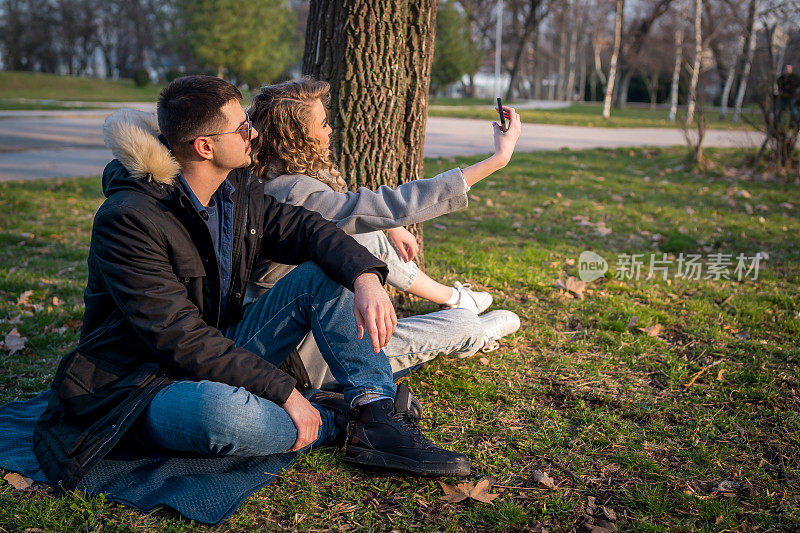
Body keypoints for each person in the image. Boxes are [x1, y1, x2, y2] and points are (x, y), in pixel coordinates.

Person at [32, 75, 472, 492]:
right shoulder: (130, 219)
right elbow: (179, 339)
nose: (254, 135)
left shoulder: (234, 187)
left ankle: (375, 411)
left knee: (326, 271)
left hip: (226, 345)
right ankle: (338, 421)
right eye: (242, 129)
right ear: (204, 146)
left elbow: (308, 229)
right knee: (220, 417)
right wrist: (285, 394)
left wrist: (365, 276)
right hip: (142, 381)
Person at [246, 78, 523, 388]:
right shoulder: (293, 191)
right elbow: (382, 205)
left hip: (319, 317)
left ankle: (454, 298)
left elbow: (352, 212)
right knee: (462, 326)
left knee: (364, 235)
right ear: (297, 138)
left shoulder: (268, 170)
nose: (329, 131)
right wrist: (498, 160)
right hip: (311, 353)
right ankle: (473, 330)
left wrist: (390, 225)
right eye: (323, 125)